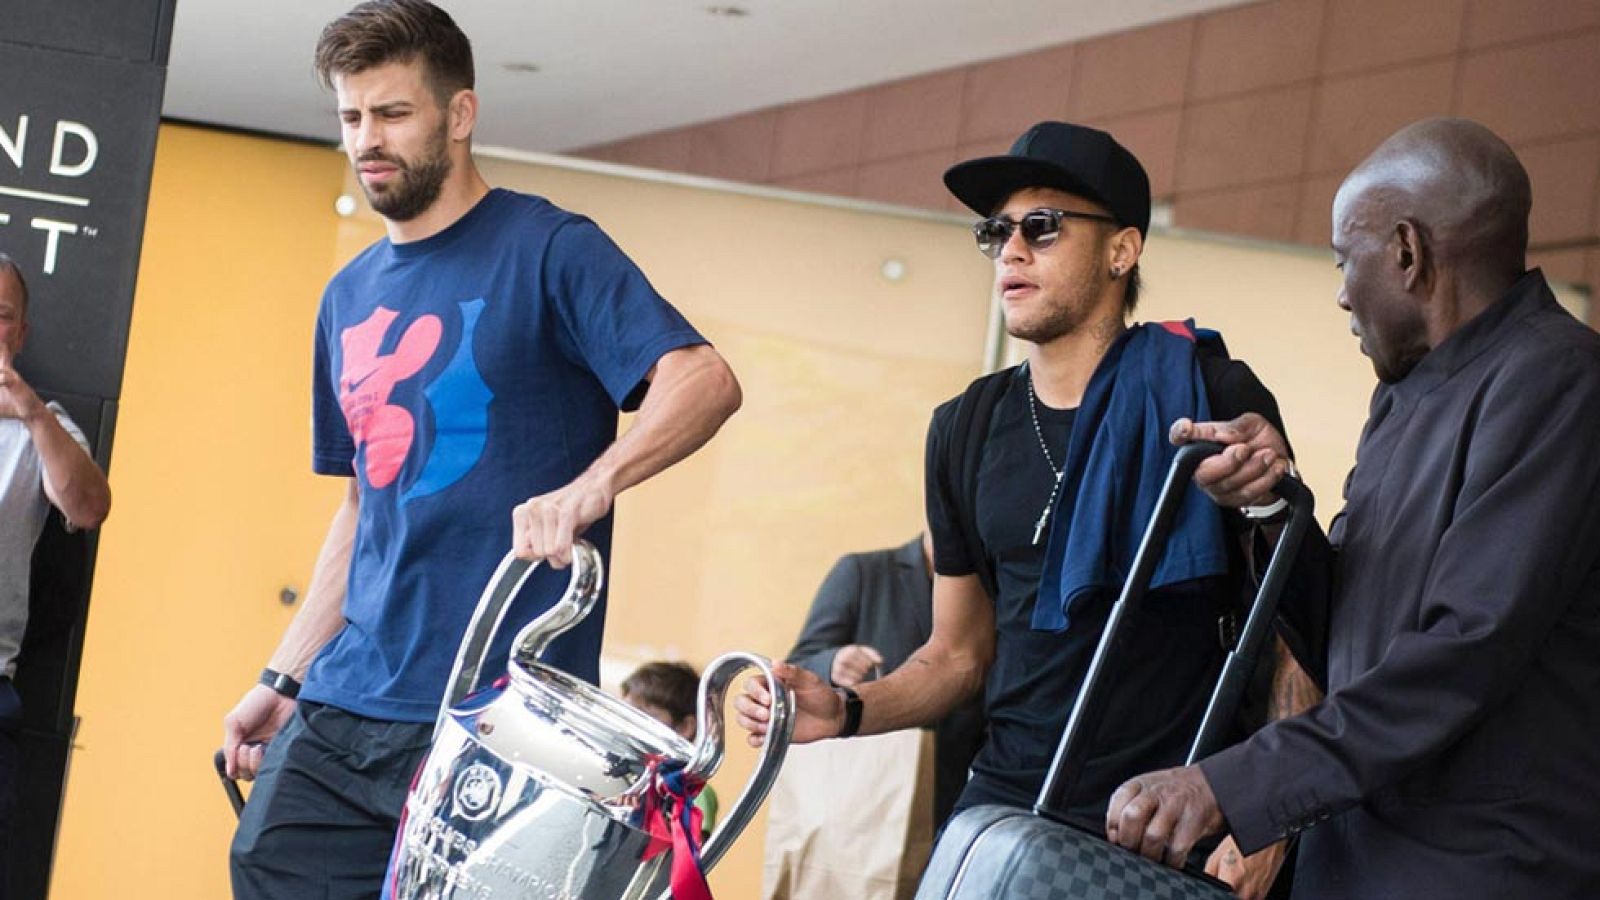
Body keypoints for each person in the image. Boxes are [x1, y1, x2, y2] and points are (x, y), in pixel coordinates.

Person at [221, 3, 741, 897]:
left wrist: (589, 488)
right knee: (262, 867)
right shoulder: (346, 298)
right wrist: (284, 672)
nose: (366, 141)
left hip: (498, 720)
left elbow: (703, 379)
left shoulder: (549, 249)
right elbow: (363, 509)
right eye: (351, 117)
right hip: (344, 702)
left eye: (393, 114)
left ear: (459, 115)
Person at [737, 121, 1315, 896]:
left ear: (1122, 249)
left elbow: (1291, 631)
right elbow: (957, 656)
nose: (1011, 250)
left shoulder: (1208, 392)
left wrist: (1267, 812)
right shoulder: (963, 428)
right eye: (996, 231)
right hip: (1005, 805)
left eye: (1041, 227)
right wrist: (844, 710)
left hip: (1174, 822)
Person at [1104, 118, 1600, 899]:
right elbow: (1349, 628)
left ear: (1407, 252)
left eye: (1345, 260)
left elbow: (1463, 649)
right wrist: (1272, 503)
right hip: (1359, 856)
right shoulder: (1403, 398)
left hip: (1478, 868)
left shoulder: (1560, 378)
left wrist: (1228, 785)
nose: (1340, 292)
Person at [0, 252, 111, 884]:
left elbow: (89, 507)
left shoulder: (47, 427)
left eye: (1, 315)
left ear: (20, 334)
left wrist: (33, 414)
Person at [786, 532, 983, 828]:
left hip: (959, 796)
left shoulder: (988, 590)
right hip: (865, 797)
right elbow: (796, 666)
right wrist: (832, 664)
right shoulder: (863, 572)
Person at [621, 660, 719, 840]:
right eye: (625, 713)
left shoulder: (693, 790)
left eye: (642, 716)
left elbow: (689, 850)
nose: (629, 724)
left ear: (684, 727)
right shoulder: (622, 775)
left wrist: (639, 816)